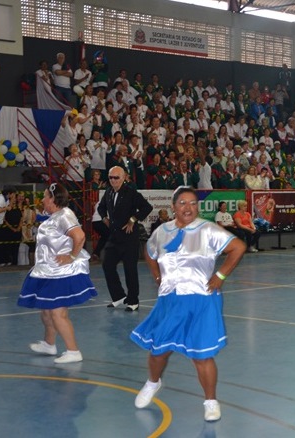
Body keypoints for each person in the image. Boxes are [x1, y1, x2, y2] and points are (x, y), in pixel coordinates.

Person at [130, 186, 246, 421]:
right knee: (158, 351)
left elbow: (238, 247)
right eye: (183, 203)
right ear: (173, 207)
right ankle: (153, 383)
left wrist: (220, 275)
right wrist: (157, 276)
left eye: (193, 203)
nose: (188, 208)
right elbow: (149, 252)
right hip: (170, 300)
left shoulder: (208, 229)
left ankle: (211, 401)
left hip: (201, 299)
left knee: (201, 355)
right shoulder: (162, 231)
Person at [17, 183, 98, 364]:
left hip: (61, 273)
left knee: (57, 313)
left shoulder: (65, 215)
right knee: (46, 311)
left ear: (53, 199)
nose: (43, 199)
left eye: (45, 196)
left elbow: (80, 236)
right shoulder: (54, 216)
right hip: (47, 270)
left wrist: (71, 256)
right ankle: (49, 343)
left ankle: (73, 351)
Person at [97, 166, 154, 311]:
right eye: (110, 177)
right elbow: (101, 207)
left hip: (129, 238)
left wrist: (133, 219)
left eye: (116, 177)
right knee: (107, 264)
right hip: (114, 237)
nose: (113, 180)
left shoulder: (131, 193)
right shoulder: (108, 192)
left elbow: (147, 208)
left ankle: (133, 301)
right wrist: (104, 218)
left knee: (130, 270)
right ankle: (118, 296)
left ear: (123, 178)